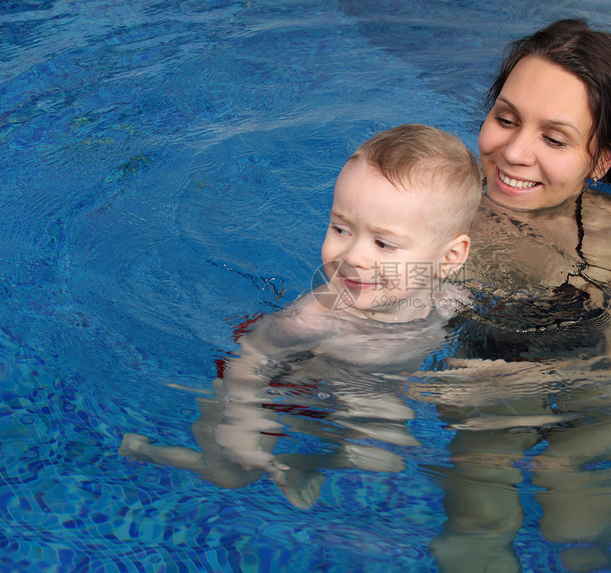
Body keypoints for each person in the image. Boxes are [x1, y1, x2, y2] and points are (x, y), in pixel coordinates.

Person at [412, 20, 611, 572]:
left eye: (553, 138)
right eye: (505, 119)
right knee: (474, 513)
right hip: (493, 371)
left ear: (602, 160)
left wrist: (529, 380)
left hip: (610, 399)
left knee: (569, 514)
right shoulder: (439, 203)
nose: (513, 152)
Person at [119, 124, 483, 506]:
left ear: (449, 258)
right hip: (280, 385)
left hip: (349, 389)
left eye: (383, 243)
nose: (353, 255)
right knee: (230, 472)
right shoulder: (315, 319)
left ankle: (301, 463)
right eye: (341, 228)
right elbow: (250, 360)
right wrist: (243, 422)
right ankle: (147, 450)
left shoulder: (451, 303)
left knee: (383, 462)